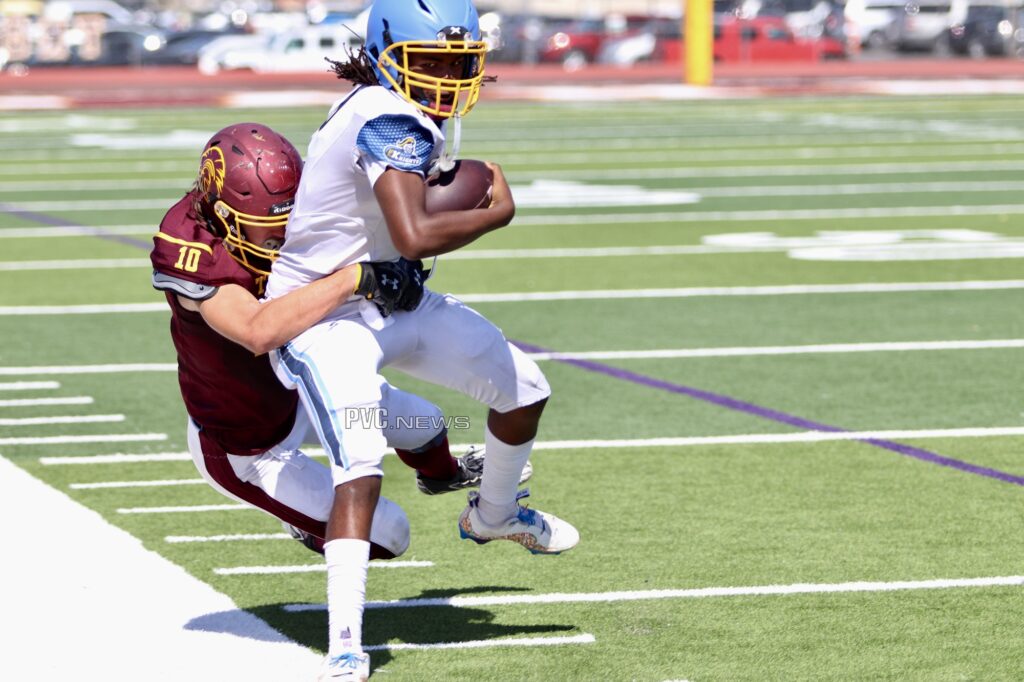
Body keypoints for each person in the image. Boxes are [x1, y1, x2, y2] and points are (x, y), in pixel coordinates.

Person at [263, 1, 579, 677]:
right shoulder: (388, 116)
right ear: (387, 55)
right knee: (361, 464)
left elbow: (397, 236)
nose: (444, 77)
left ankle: (494, 514)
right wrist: (497, 212)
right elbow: (413, 233)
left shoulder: (394, 106)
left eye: (457, 63)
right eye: (428, 61)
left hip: (388, 294)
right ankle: (345, 642)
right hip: (322, 312)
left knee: (524, 388)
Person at [149, 122, 516, 565]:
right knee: (390, 533)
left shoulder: (292, 203)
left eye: (291, 222)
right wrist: (356, 278)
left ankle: (444, 475)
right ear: (223, 216)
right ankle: (304, 522)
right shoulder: (192, 251)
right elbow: (257, 332)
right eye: (271, 230)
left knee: (428, 424)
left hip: (302, 384)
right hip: (249, 444)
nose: (285, 238)